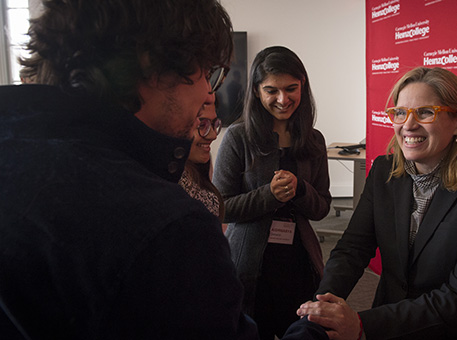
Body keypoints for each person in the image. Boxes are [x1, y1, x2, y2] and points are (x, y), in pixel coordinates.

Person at [0, 1, 326, 339]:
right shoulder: (167, 225)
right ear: (152, 65)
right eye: (206, 72)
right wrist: (316, 332)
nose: (207, 92)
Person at [297, 67, 457, 340]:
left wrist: (362, 325)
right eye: (400, 113)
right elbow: (352, 249)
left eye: (425, 112)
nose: (408, 125)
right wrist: (324, 307)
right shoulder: (383, 171)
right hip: (391, 324)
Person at [213, 46, 332, 340]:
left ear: (303, 84)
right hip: (251, 267)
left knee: (302, 332)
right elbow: (220, 206)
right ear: (256, 91)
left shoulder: (314, 140)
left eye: (291, 89)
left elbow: (322, 207)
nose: (283, 99)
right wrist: (270, 195)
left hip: (299, 263)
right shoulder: (238, 137)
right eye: (271, 91)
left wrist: (300, 189)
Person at [178, 102, 225, 222]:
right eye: (202, 125)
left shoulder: (199, 165)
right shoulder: (168, 178)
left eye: (214, 124)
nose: (213, 135)